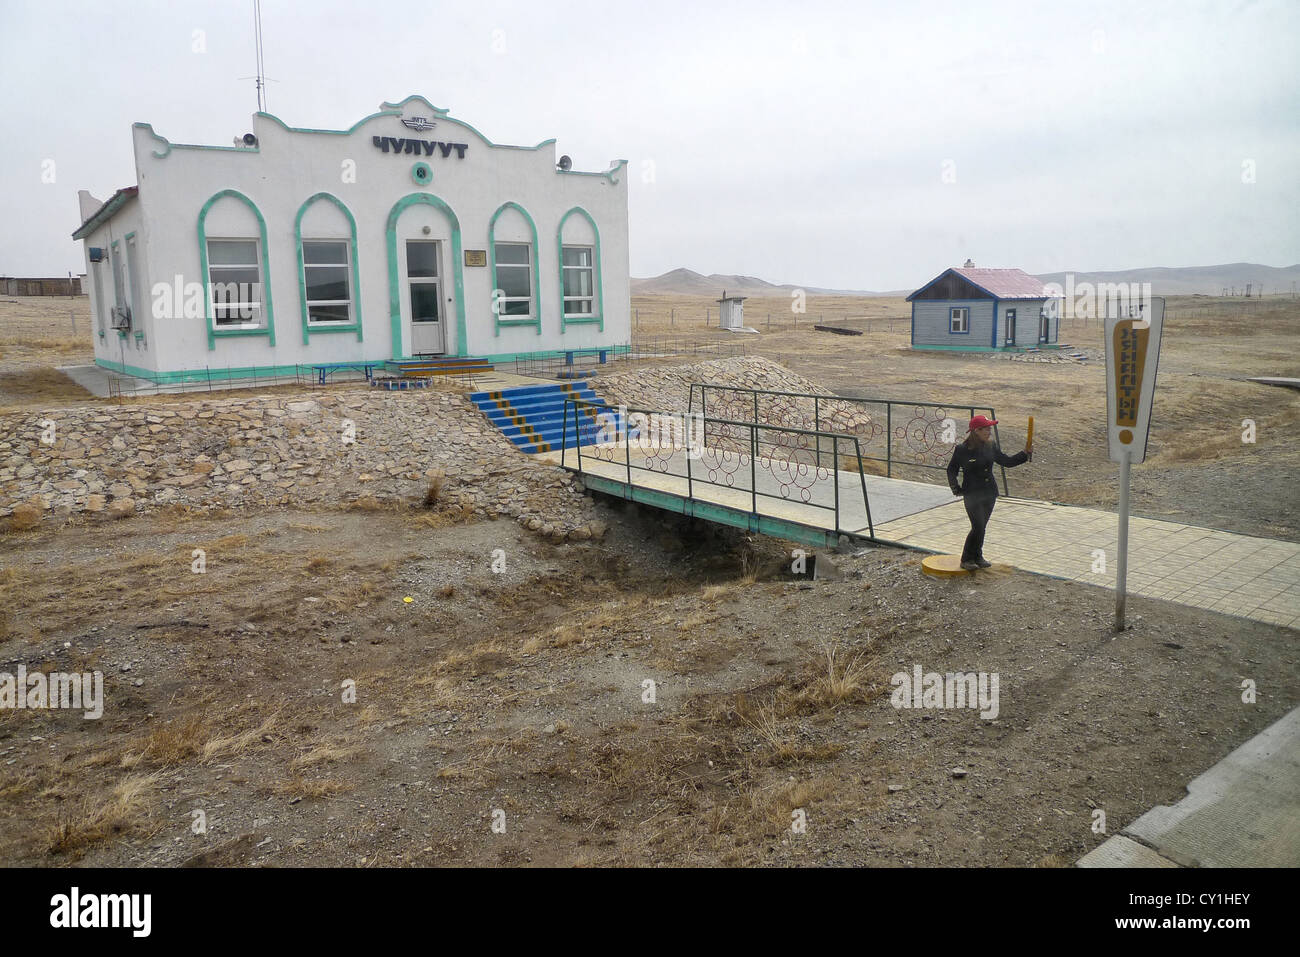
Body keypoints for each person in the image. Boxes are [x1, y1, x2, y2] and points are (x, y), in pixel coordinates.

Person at [946, 414, 1031, 571]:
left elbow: (1007, 461)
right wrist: (955, 488)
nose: (989, 431)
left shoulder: (991, 446)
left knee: (982, 526)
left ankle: (977, 556)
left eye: (990, 428)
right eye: (986, 429)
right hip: (972, 495)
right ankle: (966, 559)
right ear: (976, 431)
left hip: (989, 493)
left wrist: (1024, 454)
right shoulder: (962, 450)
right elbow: (952, 469)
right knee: (977, 526)